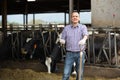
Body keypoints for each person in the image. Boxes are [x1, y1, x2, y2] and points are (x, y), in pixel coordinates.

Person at [60, 11, 88, 80]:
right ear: (71, 18)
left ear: (79, 18)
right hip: (69, 53)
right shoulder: (66, 28)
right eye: (73, 16)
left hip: (80, 53)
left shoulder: (83, 27)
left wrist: (84, 39)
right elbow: (63, 38)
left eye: (76, 16)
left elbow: (86, 35)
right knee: (66, 73)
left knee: (80, 73)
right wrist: (62, 40)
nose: (75, 17)